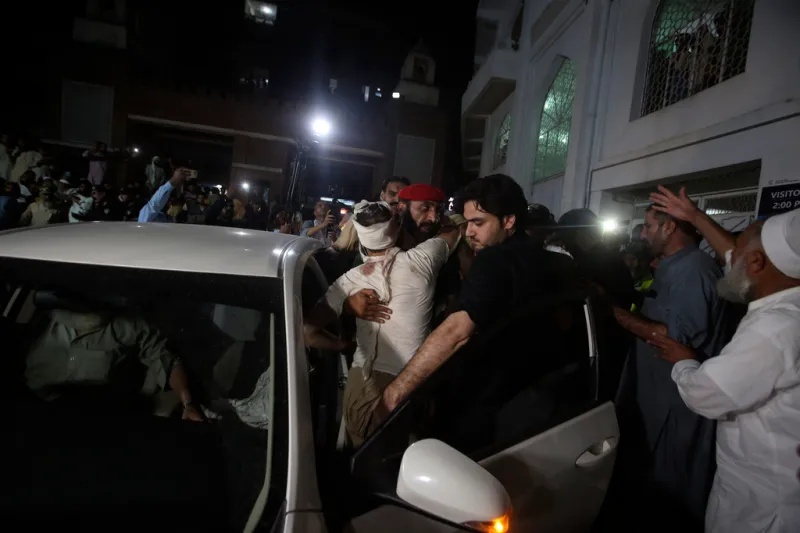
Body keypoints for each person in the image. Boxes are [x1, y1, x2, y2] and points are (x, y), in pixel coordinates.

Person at [648, 187, 800, 533]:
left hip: (762, 504)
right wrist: (697, 217)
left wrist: (684, 361)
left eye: (741, 248)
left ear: (758, 264)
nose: (727, 257)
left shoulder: (775, 329)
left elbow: (707, 393)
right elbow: (735, 258)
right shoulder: (785, 294)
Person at [377, 174, 563, 417]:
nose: (469, 233)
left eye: (478, 223)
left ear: (508, 221)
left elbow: (456, 332)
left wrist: (394, 395)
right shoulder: (552, 260)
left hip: (488, 404)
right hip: (537, 400)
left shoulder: (493, 260)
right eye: (467, 223)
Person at [607, 200, 731, 532]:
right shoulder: (672, 266)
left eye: (648, 226)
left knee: (669, 497)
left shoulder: (696, 270)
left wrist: (613, 312)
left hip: (675, 406)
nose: (643, 234)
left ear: (669, 227)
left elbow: (673, 337)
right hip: (654, 398)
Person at [303, 200, 460, 446]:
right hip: (413, 384)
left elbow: (308, 332)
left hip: (363, 385)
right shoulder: (423, 260)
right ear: (397, 229)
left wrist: (344, 345)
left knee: (363, 466)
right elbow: (452, 231)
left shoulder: (348, 281)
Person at [334, 176, 410, 252]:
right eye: (392, 194)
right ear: (382, 195)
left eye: (403, 196)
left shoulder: (412, 225)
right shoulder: (361, 217)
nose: (397, 199)